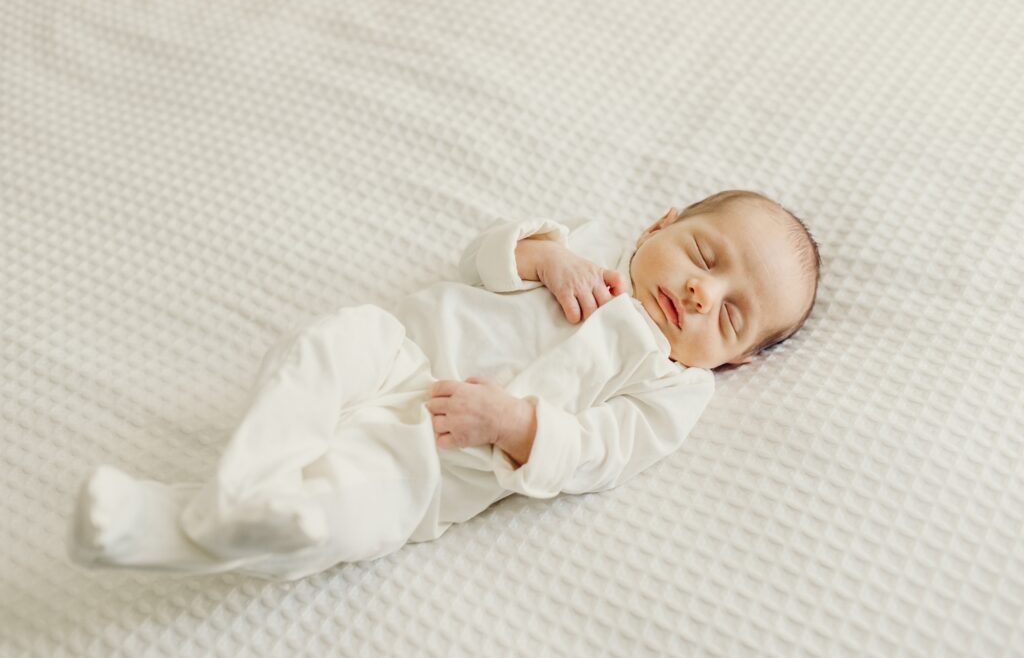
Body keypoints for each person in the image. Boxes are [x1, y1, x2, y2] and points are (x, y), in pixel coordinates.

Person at [66, 189, 820, 582]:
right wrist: (539, 257)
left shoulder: (675, 388)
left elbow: (601, 451)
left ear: (738, 361)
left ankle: (167, 525)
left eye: (730, 316)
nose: (698, 294)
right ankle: (234, 497)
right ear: (662, 223)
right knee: (323, 348)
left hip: (435, 460)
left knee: (342, 514)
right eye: (703, 255)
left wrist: (518, 425)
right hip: (397, 351)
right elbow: (480, 258)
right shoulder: (583, 248)